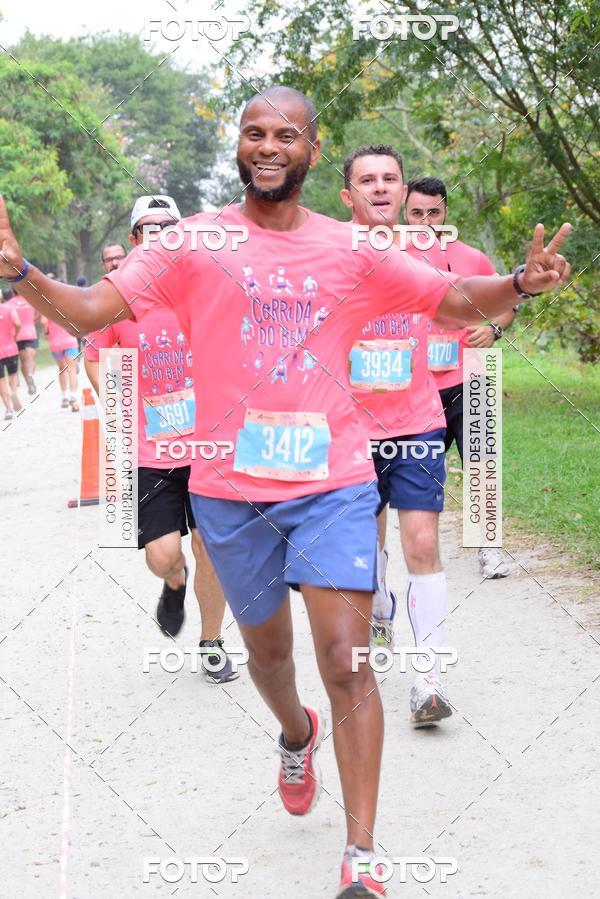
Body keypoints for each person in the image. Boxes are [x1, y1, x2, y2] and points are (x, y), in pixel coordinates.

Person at [0, 86, 571, 899]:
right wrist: (21, 273)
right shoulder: (192, 243)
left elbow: (451, 300)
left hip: (333, 484)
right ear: (240, 146)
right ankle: (294, 732)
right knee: (269, 656)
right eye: (253, 133)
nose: (267, 146)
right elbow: (92, 310)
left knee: (347, 659)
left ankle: (362, 858)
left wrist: (521, 281)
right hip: (232, 493)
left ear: (311, 148)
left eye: (285, 135)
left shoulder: (353, 249)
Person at [84, 195, 237, 684]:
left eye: (169, 226)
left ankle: (211, 642)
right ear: (134, 239)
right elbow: (94, 351)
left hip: (208, 446)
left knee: (209, 543)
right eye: (149, 228)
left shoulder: (204, 284)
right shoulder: (118, 295)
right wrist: (116, 401)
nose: (160, 234)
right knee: (163, 555)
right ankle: (175, 583)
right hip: (151, 450)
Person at [340, 144, 453, 727]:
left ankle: (427, 679)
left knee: (423, 544)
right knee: (368, 552)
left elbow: (466, 305)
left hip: (416, 423)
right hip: (349, 431)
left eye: (391, 179)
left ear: (405, 192)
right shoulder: (329, 254)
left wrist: (515, 294)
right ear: (347, 195)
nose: (381, 188)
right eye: (368, 180)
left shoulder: (427, 255)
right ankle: (380, 601)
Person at [405, 177, 517, 578]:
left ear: (446, 212)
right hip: (415, 385)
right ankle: (423, 555)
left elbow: (509, 301)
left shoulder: (472, 257)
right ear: (405, 212)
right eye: (416, 212)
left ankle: (489, 548)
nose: (425, 221)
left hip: (472, 373)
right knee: (419, 473)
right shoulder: (392, 257)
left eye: (433, 212)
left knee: (481, 463)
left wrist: (495, 328)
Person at [41, 273, 80, 412]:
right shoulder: (70, 302)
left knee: (61, 369)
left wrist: (47, 333)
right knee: (72, 370)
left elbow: (44, 321)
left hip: (55, 343)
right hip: (70, 340)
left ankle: (64, 396)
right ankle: (73, 396)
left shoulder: (46, 304)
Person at [4, 286, 39, 394]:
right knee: (31, 359)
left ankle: (27, 380)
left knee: (23, 360)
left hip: (17, 335)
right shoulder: (30, 301)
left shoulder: (8, 304)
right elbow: (38, 313)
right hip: (31, 332)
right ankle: (30, 375)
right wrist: (32, 320)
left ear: (12, 292)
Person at [0, 289, 22, 420]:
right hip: (11, 347)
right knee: (13, 374)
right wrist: (15, 335)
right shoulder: (8, 309)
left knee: (1, 381)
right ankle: (13, 392)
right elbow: (18, 324)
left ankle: (8, 409)